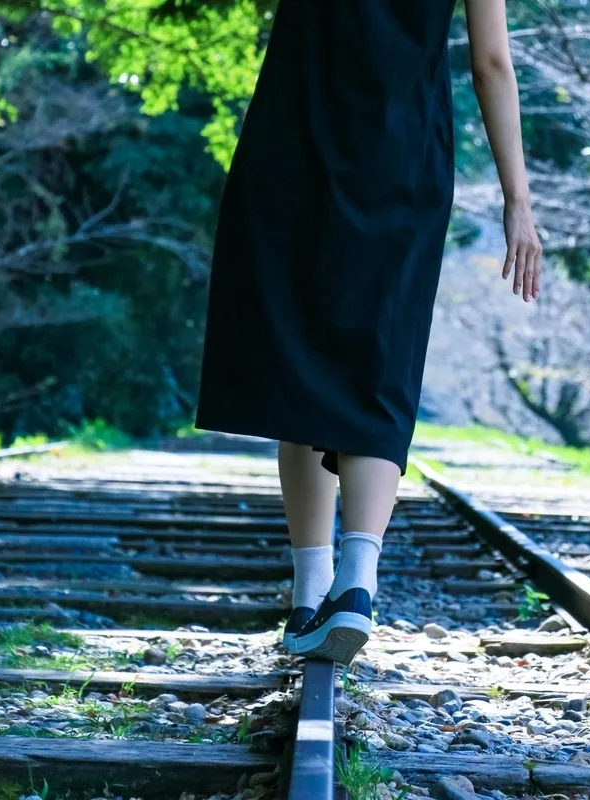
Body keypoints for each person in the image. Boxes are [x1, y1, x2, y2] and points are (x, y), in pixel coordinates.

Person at [194, 0, 541, 664]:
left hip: (292, 146)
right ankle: (357, 580)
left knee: (299, 358)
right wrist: (516, 200)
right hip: (402, 158)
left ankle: (308, 596)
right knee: (381, 360)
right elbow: (491, 60)